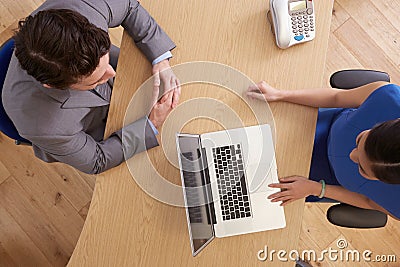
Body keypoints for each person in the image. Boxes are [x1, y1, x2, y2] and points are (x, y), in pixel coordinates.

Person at [2, 0, 181, 174]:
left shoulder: (82, 6)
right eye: (95, 79)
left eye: (105, 61)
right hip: (98, 127)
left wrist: (160, 59)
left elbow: (128, 6)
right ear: (53, 86)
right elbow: (97, 160)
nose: (112, 73)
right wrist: (149, 126)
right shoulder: (44, 127)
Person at [246, 80, 400, 220]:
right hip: (319, 125)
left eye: (362, 168)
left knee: (251, 195)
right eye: (359, 140)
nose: (351, 155)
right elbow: (337, 97)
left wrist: (315, 188)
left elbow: (369, 202)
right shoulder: (388, 97)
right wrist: (280, 94)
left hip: (320, 179)